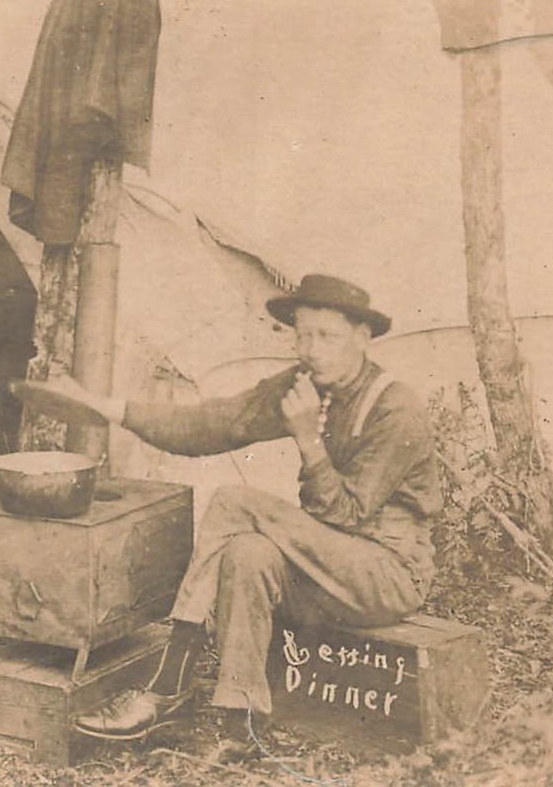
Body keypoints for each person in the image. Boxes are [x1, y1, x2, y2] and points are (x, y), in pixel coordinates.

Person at [52, 274, 442, 760]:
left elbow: (348, 516)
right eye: (302, 334)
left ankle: (166, 684)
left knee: (235, 502)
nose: (312, 349)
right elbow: (211, 423)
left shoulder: (395, 407)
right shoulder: (304, 385)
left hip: (387, 576)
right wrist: (108, 409)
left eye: (328, 337)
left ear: (363, 338)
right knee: (247, 552)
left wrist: (307, 440)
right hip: (326, 572)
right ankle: (240, 724)